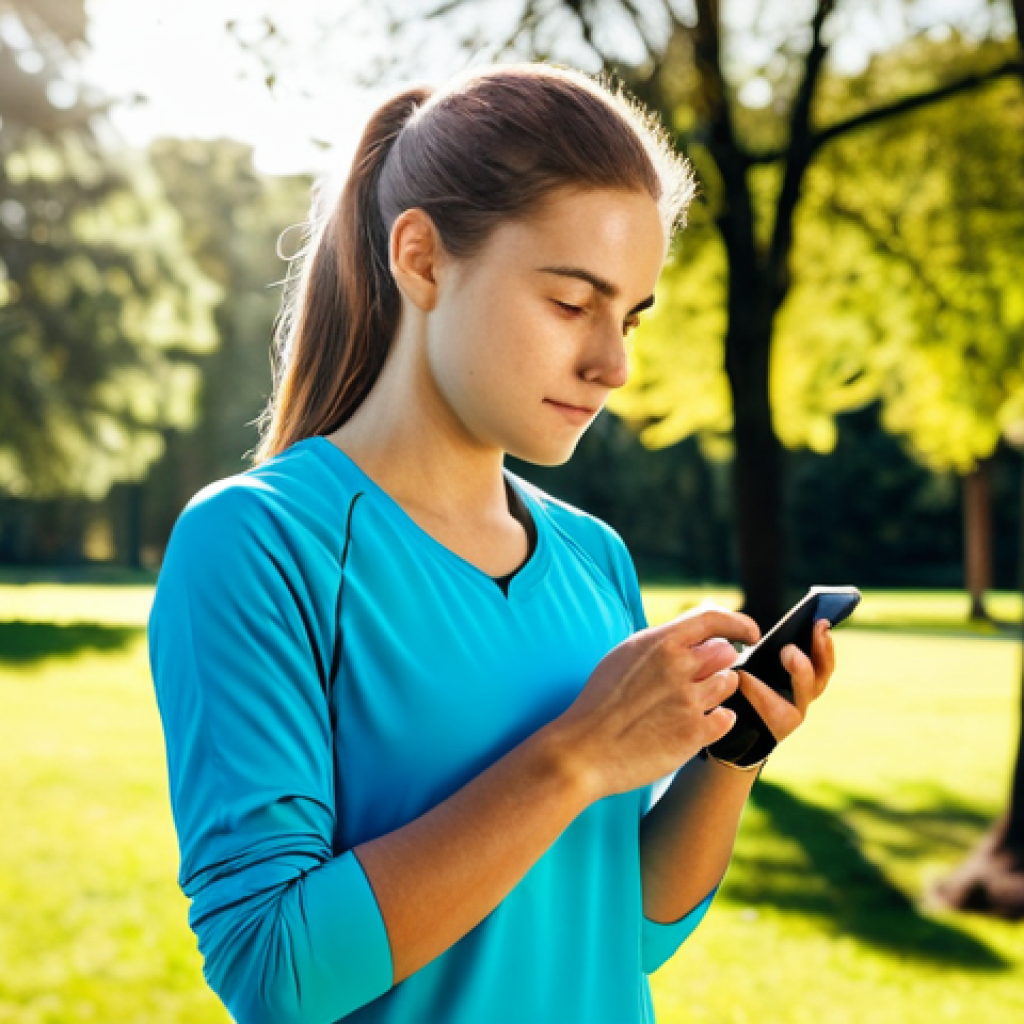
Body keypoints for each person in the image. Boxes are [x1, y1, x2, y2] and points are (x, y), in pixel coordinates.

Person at [148, 63, 836, 1024]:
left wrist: (730, 752)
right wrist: (580, 754)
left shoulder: (595, 559)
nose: (614, 364)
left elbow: (626, 930)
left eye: (630, 317)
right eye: (571, 303)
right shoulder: (257, 541)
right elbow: (274, 971)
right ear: (423, 259)